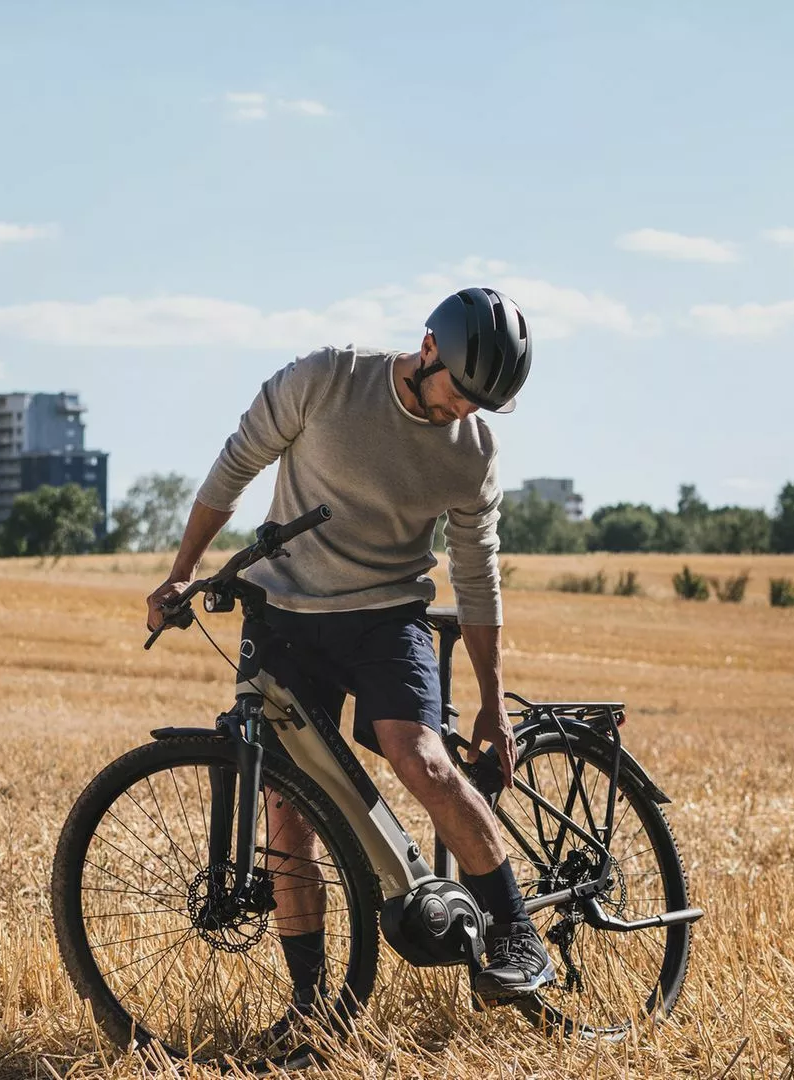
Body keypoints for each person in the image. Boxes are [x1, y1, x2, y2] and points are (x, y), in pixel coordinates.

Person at [145, 286, 556, 1022]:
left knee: (421, 758)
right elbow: (236, 465)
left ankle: (517, 933)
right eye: (457, 392)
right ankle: (313, 1007)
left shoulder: (473, 451)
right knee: (287, 810)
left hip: (386, 618)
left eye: (479, 405)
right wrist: (183, 567)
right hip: (285, 618)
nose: (460, 411)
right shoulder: (326, 380)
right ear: (428, 348)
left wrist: (494, 702)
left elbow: (475, 575)